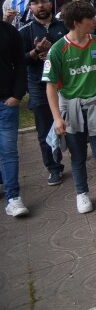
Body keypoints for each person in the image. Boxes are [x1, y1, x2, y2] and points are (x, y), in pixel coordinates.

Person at [43, 0, 96, 217]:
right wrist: (57, 118)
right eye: (90, 19)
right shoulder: (58, 50)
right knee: (77, 156)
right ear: (77, 23)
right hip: (71, 109)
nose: (95, 22)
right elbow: (50, 86)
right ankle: (82, 193)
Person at [19, 0, 68, 185]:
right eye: (36, 3)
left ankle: (78, 155)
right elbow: (20, 60)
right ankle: (53, 167)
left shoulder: (64, 26)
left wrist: (53, 52)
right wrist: (35, 52)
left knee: (71, 123)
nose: (40, 6)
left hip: (65, 83)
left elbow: (73, 47)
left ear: (50, 4)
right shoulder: (25, 31)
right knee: (44, 128)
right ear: (30, 8)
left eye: (44, 1)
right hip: (39, 84)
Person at [1, 19, 28, 216]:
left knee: (8, 151)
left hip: (6, 102)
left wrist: (17, 95)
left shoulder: (9, 32)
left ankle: (13, 197)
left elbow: (20, 63)